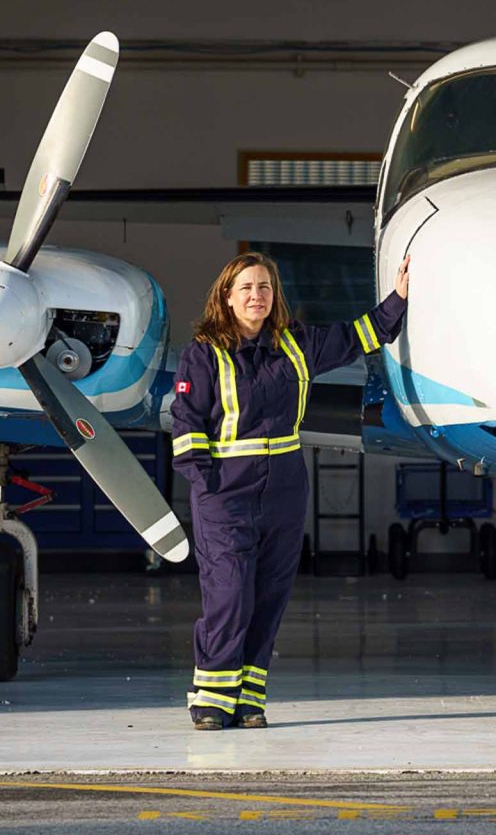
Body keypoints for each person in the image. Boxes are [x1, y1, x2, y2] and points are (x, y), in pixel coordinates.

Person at [169, 251, 409, 730]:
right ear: (226, 297)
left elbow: (361, 336)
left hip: (283, 486)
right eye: (246, 288)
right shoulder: (203, 353)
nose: (256, 296)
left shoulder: (297, 343)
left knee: (270, 594)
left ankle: (249, 699)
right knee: (230, 591)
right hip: (226, 491)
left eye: (264, 287)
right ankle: (212, 699)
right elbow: (187, 425)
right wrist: (206, 485)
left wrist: (400, 297)